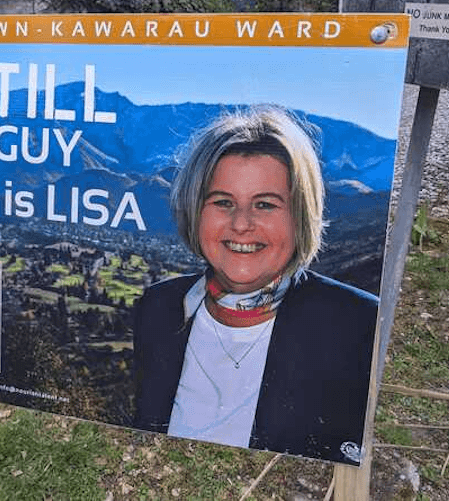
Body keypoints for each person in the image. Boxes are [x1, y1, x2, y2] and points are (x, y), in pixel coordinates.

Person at [132, 106, 379, 465]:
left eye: (265, 204)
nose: (242, 223)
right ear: (194, 210)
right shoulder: (159, 308)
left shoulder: (359, 326)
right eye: (222, 202)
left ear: (299, 216)